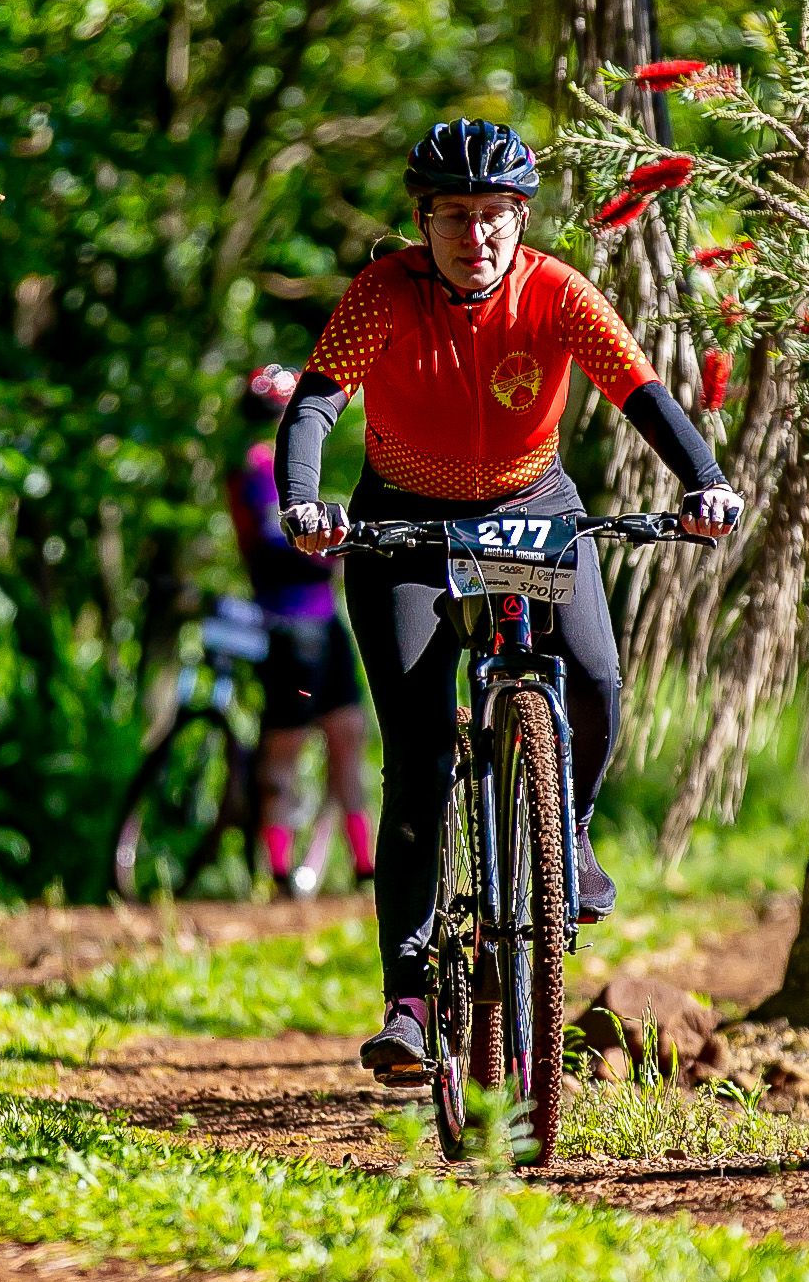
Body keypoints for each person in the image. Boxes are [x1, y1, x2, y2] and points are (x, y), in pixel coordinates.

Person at [275, 119, 741, 1084]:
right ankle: (410, 1001)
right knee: (416, 757)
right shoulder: (385, 292)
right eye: (453, 215)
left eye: (493, 215)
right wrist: (303, 502)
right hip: (403, 524)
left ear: (520, 220)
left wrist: (705, 479)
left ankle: (566, 833)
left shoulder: (556, 290)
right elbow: (316, 402)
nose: (474, 234)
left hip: (531, 509)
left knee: (595, 678)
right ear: (424, 222)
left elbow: (640, 391)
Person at [229, 364, 375, 892]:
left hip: (322, 625)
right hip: (290, 628)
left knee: (346, 737)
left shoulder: (264, 467)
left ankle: (363, 865)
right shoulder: (257, 469)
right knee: (286, 751)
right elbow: (279, 544)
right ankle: (280, 870)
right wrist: (335, 549)